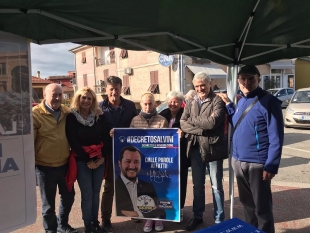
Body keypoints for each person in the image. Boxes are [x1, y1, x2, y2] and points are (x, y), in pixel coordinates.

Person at [218, 65, 284, 233]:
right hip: (238, 161)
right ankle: (251, 231)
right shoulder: (241, 101)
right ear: (238, 81)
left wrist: (271, 164)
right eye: (243, 79)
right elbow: (238, 123)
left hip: (258, 163)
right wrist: (229, 106)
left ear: (259, 79)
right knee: (247, 205)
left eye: (251, 79)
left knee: (262, 207)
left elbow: (276, 137)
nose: (247, 82)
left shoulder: (269, 102)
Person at [180, 72, 226, 231]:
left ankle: (219, 219)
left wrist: (192, 122)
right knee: (197, 185)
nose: (200, 88)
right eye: (197, 86)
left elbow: (213, 122)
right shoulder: (191, 101)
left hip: (213, 148)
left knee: (216, 186)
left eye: (203, 85)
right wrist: (201, 129)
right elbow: (182, 122)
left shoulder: (218, 100)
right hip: (195, 148)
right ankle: (197, 216)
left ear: (209, 84)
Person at [33, 83, 77, 233]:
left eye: (60, 94)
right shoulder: (35, 114)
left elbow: (85, 113)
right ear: (45, 95)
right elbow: (29, 143)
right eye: (54, 95)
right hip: (44, 167)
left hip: (64, 165)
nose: (58, 98)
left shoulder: (66, 112)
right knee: (48, 204)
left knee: (69, 197)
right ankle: (50, 230)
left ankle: (62, 224)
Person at [65, 87, 108, 233]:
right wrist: (88, 160)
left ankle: (95, 222)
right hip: (82, 161)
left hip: (99, 159)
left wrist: (101, 157)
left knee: (96, 192)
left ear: (93, 101)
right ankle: (88, 224)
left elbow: (105, 137)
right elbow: (73, 141)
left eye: (89, 98)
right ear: (78, 98)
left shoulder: (98, 116)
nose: (86, 100)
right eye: (83, 97)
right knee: (87, 193)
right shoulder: (71, 117)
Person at [99, 76, 137, 233]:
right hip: (109, 153)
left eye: (116, 88)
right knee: (109, 187)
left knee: (132, 183)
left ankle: (134, 211)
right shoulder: (100, 107)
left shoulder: (130, 105)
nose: (114, 91)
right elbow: (97, 129)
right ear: (106, 89)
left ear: (121, 88)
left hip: (128, 153)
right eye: (111, 88)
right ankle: (106, 219)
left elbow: (135, 124)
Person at [130, 93, 168, 232]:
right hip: (142, 164)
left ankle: (159, 218)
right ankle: (149, 219)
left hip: (158, 163)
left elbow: (168, 142)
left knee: (158, 191)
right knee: (144, 192)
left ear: (155, 104)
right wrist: (115, 134)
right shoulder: (134, 120)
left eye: (150, 103)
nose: (147, 106)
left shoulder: (162, 120)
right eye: (145, 103)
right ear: (141, 104)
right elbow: (130, 140)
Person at [159, 91, 190, 222]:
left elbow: (191, 131)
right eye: (171, 101)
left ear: (181, 102)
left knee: (180, 183)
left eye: (176, 101)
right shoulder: (162, 114)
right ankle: (164, 209)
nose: (173, 103)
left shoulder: (186, 114)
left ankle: (179, 209)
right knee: (165, 183)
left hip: (180, 156)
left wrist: (184, 134)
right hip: (163, 157)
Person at [115, 145, 166, 220]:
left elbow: (161, 213)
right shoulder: (115, 185)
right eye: (128, 161)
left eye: (136, 162)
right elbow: (119, 211)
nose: (132, 166)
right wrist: (147, 213)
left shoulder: (148, 186)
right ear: (119, 163)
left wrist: (135, 214)